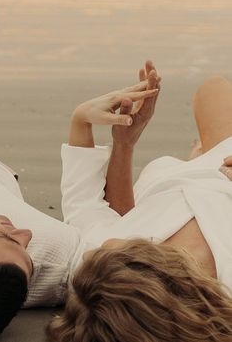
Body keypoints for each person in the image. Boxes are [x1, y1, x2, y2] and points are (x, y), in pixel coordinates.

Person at [46, 63, 232, 341]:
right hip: (221, 168)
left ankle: (196, 156)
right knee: (214, 90)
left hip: (174, 181)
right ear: (149, 274)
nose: (92, 253)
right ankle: (198, 154)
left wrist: (92, 125)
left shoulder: (100, 280)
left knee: (211, 90)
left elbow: (86, 207)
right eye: (113, 257)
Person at [0, 63, 157, 336]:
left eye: (6, 238)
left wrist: (82, 120)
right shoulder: (66, 264)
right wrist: (91, 127)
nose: (24, 234)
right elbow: (101, 220)